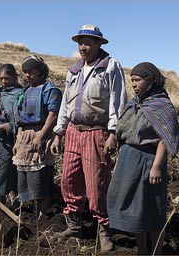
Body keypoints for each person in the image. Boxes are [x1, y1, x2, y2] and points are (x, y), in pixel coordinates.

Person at [51, 24, 127, 252]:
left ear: (98, 44)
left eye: (88, 42)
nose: (83, 47)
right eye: (80, 42)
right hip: (74, 131)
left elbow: (118, 101)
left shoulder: (110, 67)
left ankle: (104, 229)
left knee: (96, 184)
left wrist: (113, 133)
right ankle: (74, 224)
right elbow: (66, 103)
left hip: (97, 132)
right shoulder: (74, 69)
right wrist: (59, 132)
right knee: (68, 179)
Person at [106, 62, 179, 255]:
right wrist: (114, 139)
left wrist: (156, 166)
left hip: (148, 161)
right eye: (132, 80)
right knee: (136, 211)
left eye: (137, 80)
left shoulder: (161, 106)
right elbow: (124, 127)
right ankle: (142, 251)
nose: (133, 84)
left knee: (153, 210)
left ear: (152, 80)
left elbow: (165, 139)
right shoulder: (135, 103)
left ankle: (155, 252)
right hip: (129, 161)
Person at [12, 55, 62, 217]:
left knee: (41, 174)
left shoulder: (50, 89)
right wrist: (18, 138)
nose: (27, 75)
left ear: (40, 71)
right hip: (25, 136)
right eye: (25, 72)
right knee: (25, 174)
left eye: (30, 72)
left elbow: (53, 114)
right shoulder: (25, 91)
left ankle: (43, 212)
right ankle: (32, 209)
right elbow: (19, 115)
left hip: (41, 133)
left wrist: (41, 135)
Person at [0, 64, 23, 203]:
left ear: (14, 78)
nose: (3, 82)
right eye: (1, 79)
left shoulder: (19, 94)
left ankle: (6, 201)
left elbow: (20, 118)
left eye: (7, 78)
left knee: (5, 169)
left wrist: (5, 126)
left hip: (8, 137)